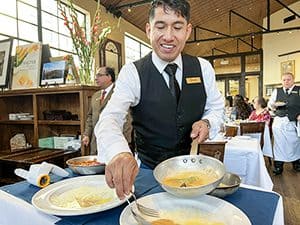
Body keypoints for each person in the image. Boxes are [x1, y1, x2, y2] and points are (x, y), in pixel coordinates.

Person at [94, 0, 224, 199]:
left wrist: (207, 122)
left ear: (188, 31)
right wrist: (119, 152)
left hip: (194, 171)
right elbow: (109, 118)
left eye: (177, 27)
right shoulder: (133, 72)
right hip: (147, 172)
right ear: (148, 29)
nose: (169, 37)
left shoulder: (203, 68)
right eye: (160, 26)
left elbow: (216, 108)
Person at [82, 67, 132, 155]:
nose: (96, 78)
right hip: (96, 142)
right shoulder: (95, 96)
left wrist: (124, 141)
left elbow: (127, 119)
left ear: (109, 77)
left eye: (99, 75)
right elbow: (90, 116)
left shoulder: (120, 93)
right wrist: (87, 134)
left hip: (115, 143)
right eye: (96, 75)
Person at [268, 72, 300, 175]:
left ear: (293, 80)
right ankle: (278, 166)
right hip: (279, 121)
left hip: (293, 121)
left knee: (294, 143)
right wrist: (273, 106)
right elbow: (270, 104)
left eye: (288, 79)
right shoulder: (277, 91)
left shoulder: (298, 90)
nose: (286, 81)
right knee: (279, 144)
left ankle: (296, 163)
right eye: (284, 80)